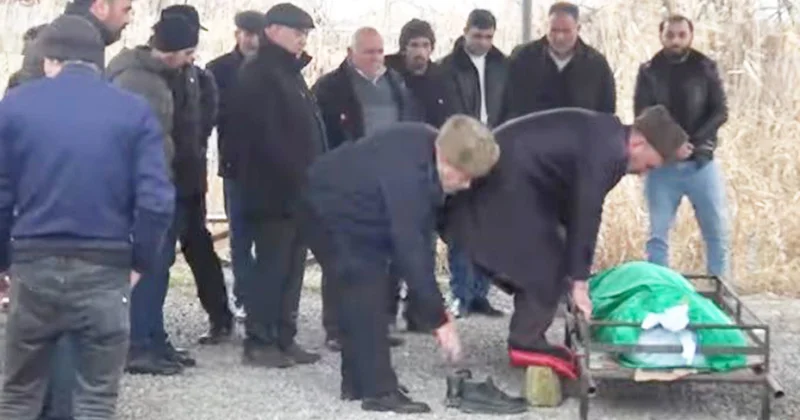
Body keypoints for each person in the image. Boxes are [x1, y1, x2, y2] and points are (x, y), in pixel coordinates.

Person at [0, 15, 174, 419]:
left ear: (48, 60)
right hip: (105, 266)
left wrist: (3, 260)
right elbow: (156, 201)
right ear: (98, 61)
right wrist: (141, 260)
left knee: (20, 392)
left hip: (34, 261)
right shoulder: (133, 111)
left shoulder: (15, 107)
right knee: (95, 396)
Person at [443, 106, 693, 359]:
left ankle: (527, 334)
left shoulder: (607, 138)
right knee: (547, 262)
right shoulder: (607, 151)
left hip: (522, 184)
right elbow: (586, 212)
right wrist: (580, 283)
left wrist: (573, 270)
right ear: (639, 142)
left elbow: (572, 210)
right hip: (507, 184)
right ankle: (526, 343)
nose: (643, 174)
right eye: (649, 166)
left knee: (555, 255)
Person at [298, 115, 499, 413]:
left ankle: (357, 382)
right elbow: (412, 249)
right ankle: (379, 391)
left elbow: (427, 228)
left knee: (368, 287)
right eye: (464, 174)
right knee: (366, 288)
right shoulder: (408, 173)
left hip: (354, 207)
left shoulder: (430, 150)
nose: (468, 184)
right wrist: (439, 320)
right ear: (445, 158)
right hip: (327, 208)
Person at [227, 2, 326, 368]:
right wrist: (298, 173)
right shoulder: (260, 73)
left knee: (292, 269)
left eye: (305, 33)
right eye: (295, 31)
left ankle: (285, 336)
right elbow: (266, 137)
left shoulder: (290, 72)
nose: (302, 38)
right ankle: (260, 340)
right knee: (270, 268)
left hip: (299, 191)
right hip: (273, 191)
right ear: (271, 31)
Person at [312, 26, 418, 351]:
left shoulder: (395, 84)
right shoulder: (330, 88)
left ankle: (380, 322)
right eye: (368, 52)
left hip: (390, 185)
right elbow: (319, 136)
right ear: (350, 52)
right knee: (343, 257)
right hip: (349, 184)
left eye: (379, 51)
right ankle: (337, 328)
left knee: (385, 257)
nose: (375, 58)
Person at [106, 13, 199, 376]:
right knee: (148, 266)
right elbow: (146, 142)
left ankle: (153, 336)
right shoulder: (137, 81)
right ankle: (138, 345)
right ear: (172, 50)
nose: (192, 58)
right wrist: (155, 188)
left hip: (164, 183)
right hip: (144, 188)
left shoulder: (162, 76)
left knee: (160, 268)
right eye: (188, 51)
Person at [156, 4, 233, 348]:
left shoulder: (200, 79)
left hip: (187, 177)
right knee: (166, 252)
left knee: (195, 247)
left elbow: (203, 125)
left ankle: (220, 316)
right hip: (171, 175)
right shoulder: (159, 76)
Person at [634, 15, 730, 277]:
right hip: (662, 165)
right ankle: (659, 290)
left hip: (701, 163)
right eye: (670, 35)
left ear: (690, 35)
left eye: (681, 35)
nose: (675, 40)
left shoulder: (705, 67)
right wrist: (673, 144)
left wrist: (694, 143)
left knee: (716, 233)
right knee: (657, 237)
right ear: (661, 36)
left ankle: (720, 292)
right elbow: (644, 114)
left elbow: (720, 111)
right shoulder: (649, 71)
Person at [384, 18, 455, 332]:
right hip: (392, 170)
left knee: (423, 246)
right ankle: (384, 314)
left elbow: (451, 124)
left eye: (425, 45)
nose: (419, 52)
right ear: (403, 48)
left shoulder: (441, 79)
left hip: (428, 172)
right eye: (414, 45)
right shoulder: (388, 75)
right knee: (389, 246)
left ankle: (419, 313)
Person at [438, 8, 508, 318]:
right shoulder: (446, 68)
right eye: (477, 35)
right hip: (461, 155)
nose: (483, 42)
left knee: (490, 226)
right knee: (461, 228)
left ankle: (480, 294)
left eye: (489, 37)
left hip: (494, 154)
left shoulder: (503, 67)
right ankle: (461, 293)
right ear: (465, 31)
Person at [207, 10, 266, 323]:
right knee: (241, 236)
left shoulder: (275, 68)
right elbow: (211, 113)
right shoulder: (219, 69)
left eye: (258, 34)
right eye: (248, 33)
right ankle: (245, 295)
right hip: (235, 163)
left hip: (270, 166)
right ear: (237, 35)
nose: (253, 40)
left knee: (268, 235)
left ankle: (264, 296)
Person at [502, 2, 615, 122]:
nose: (559, 37)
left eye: (566, 31)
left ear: (578, 28)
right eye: (554, 30)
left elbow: (606, 114)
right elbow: (507, 106)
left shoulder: (596, 65)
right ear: (546, 27)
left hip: (580, 138)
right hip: (532, 136)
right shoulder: (523, 59)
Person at [12, 0, 133, 86]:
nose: (129, 19)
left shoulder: (66, 37)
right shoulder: (76, 43)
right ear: (101, 7)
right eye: (125, 10)